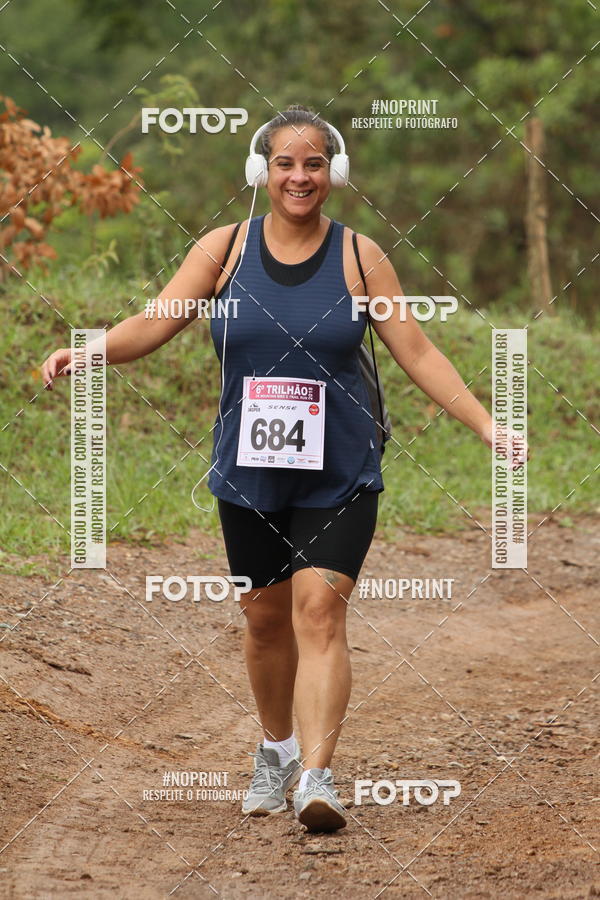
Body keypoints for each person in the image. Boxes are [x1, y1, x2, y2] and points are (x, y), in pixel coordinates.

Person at [41, 103, 525, 833]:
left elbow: (417, 351)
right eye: (286, 163)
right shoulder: (224, 250)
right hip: (249, 470)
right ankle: (276, 750)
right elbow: (157, 319)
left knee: (320, 612)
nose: (301, 177)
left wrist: (489, 425)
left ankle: (317, 777)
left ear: (335, 173)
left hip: (341, 471)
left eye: (315, 163)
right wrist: (91, 350)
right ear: (261, 172)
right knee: (264, 621)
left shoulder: (362, 258)